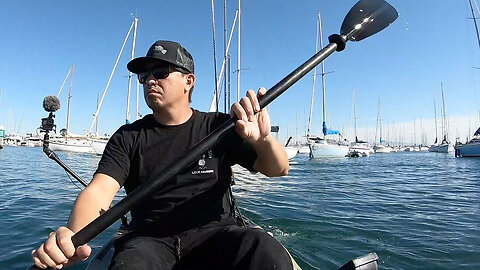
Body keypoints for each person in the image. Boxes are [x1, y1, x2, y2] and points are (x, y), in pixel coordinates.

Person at [31, 40, 292, 270]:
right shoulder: (128, 137)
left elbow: (278, 169)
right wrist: (72, 235)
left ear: (189, 81)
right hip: (149, 240)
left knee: (265, 251)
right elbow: (99, 192)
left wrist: (262, 140)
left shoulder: (219, 127)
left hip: (216, 234)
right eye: (144, 76)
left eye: (160, 72)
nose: (150, 80)